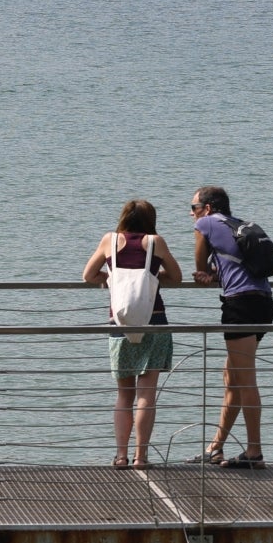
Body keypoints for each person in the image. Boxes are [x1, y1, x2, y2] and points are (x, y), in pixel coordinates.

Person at [82, 199, 183, 470]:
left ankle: (122, 455)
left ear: (123, 217)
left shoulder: (109, 241)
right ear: (151, 219)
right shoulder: (155, 242)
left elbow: (88, 275)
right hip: (155, 321)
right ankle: (141, 456)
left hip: (120, 323)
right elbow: (177, 276)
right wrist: (153, 277)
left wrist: (111, 278)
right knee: (146, 393)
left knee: (124, 394)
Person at [187, 186, 273, 469]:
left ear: (208, 208)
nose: (191, 213)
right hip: (262, 302)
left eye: (194, 207)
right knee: (232, 376)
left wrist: (205, 275)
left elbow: (200, 268)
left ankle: (254, 452)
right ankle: (216, 446)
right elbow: (223, 269)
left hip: (240, 305)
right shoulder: (235, 224)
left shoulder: (206, 224)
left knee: (245, 378)